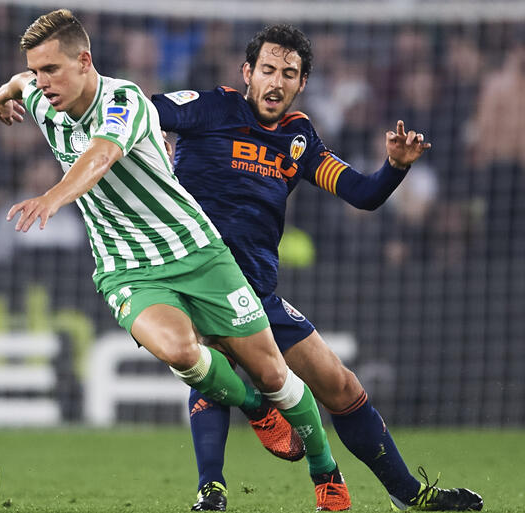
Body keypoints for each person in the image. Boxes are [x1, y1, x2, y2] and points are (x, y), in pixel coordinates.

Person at [0, 10, 348, 511]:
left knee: (274, 375)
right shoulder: (43, 96)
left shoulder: (125, 101)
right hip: (127, 269)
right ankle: (254, 409)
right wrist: (4, 94)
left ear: (85, 61)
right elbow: (19, 83)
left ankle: (325, 471)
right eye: (38, 70)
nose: (43, 81)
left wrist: (53, 197)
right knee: (182, 353)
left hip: (199, 254)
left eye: (52, 69)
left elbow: (101, 154)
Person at [151, 24, 484, 512]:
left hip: (258, 293)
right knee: (212, 365)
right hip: (200, 283)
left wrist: (395, 167)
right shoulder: (212, 108)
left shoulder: (298, 137)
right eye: (267, 70)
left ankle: (408, 495)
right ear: (247, 72)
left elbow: (362, 194)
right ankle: (212, 490)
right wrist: (148, 136)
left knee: (342, 386)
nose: (276, 82)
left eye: (289, 74)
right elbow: (139, 109)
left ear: (302, 82)